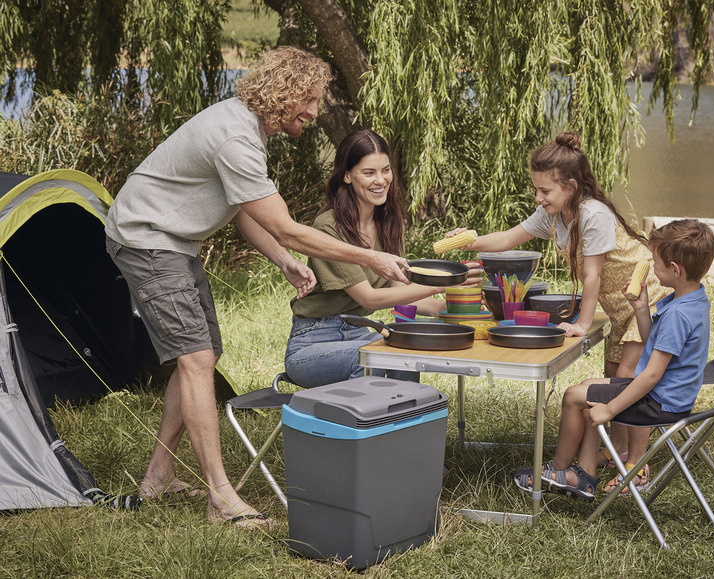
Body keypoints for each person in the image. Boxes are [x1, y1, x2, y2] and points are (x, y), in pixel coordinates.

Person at [104, 47, 412, 528]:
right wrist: (369, 256)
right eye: (308, 100)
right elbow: (288, 226)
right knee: (196, 359)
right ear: (283, 94)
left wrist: (284, 261)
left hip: (174, 242)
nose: (313, 111)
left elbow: (249, 213)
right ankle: (221, 497)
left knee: (201, 357)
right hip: (146, 238)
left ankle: (158, 476)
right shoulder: (235, 138)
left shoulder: (246, 129)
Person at [443, 131, 671, 490]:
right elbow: (506, 238)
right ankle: (615, 453)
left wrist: (582, 323)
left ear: (570, 185)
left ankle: (636, 468)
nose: (538, 197)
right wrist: (469, 240)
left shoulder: (592, 214)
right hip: (621, 309)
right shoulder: (553, 215)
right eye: (536, 189)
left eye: (545, 191)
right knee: (613, 378)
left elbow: (593, 275)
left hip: (645, 300)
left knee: (628, 384)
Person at [512, 219, 714, 500]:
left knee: (574, 396)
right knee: (588, 386)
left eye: (655, 262)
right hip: (671, 397)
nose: (651, 268)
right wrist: (642, 309)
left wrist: (610, 410)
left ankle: (560, 470)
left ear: (675, 269)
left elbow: (651, 375)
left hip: (658, 402)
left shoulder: (678, 315)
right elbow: (654, 341)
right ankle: (583, 476)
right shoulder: (690, 301)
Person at [284, 129, 482, 387]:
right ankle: (367, 424)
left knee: (403, 350)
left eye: (385, 170)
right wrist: (444, 282)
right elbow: (370, 298)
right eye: (369, 172)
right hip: (313, 342)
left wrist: (464, 309)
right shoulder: (328, 227)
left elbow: (401, 292)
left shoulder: (388, 222)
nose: (381, 180)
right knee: (376, 357)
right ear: (346, 175)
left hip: (360, 332)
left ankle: (404, 422)